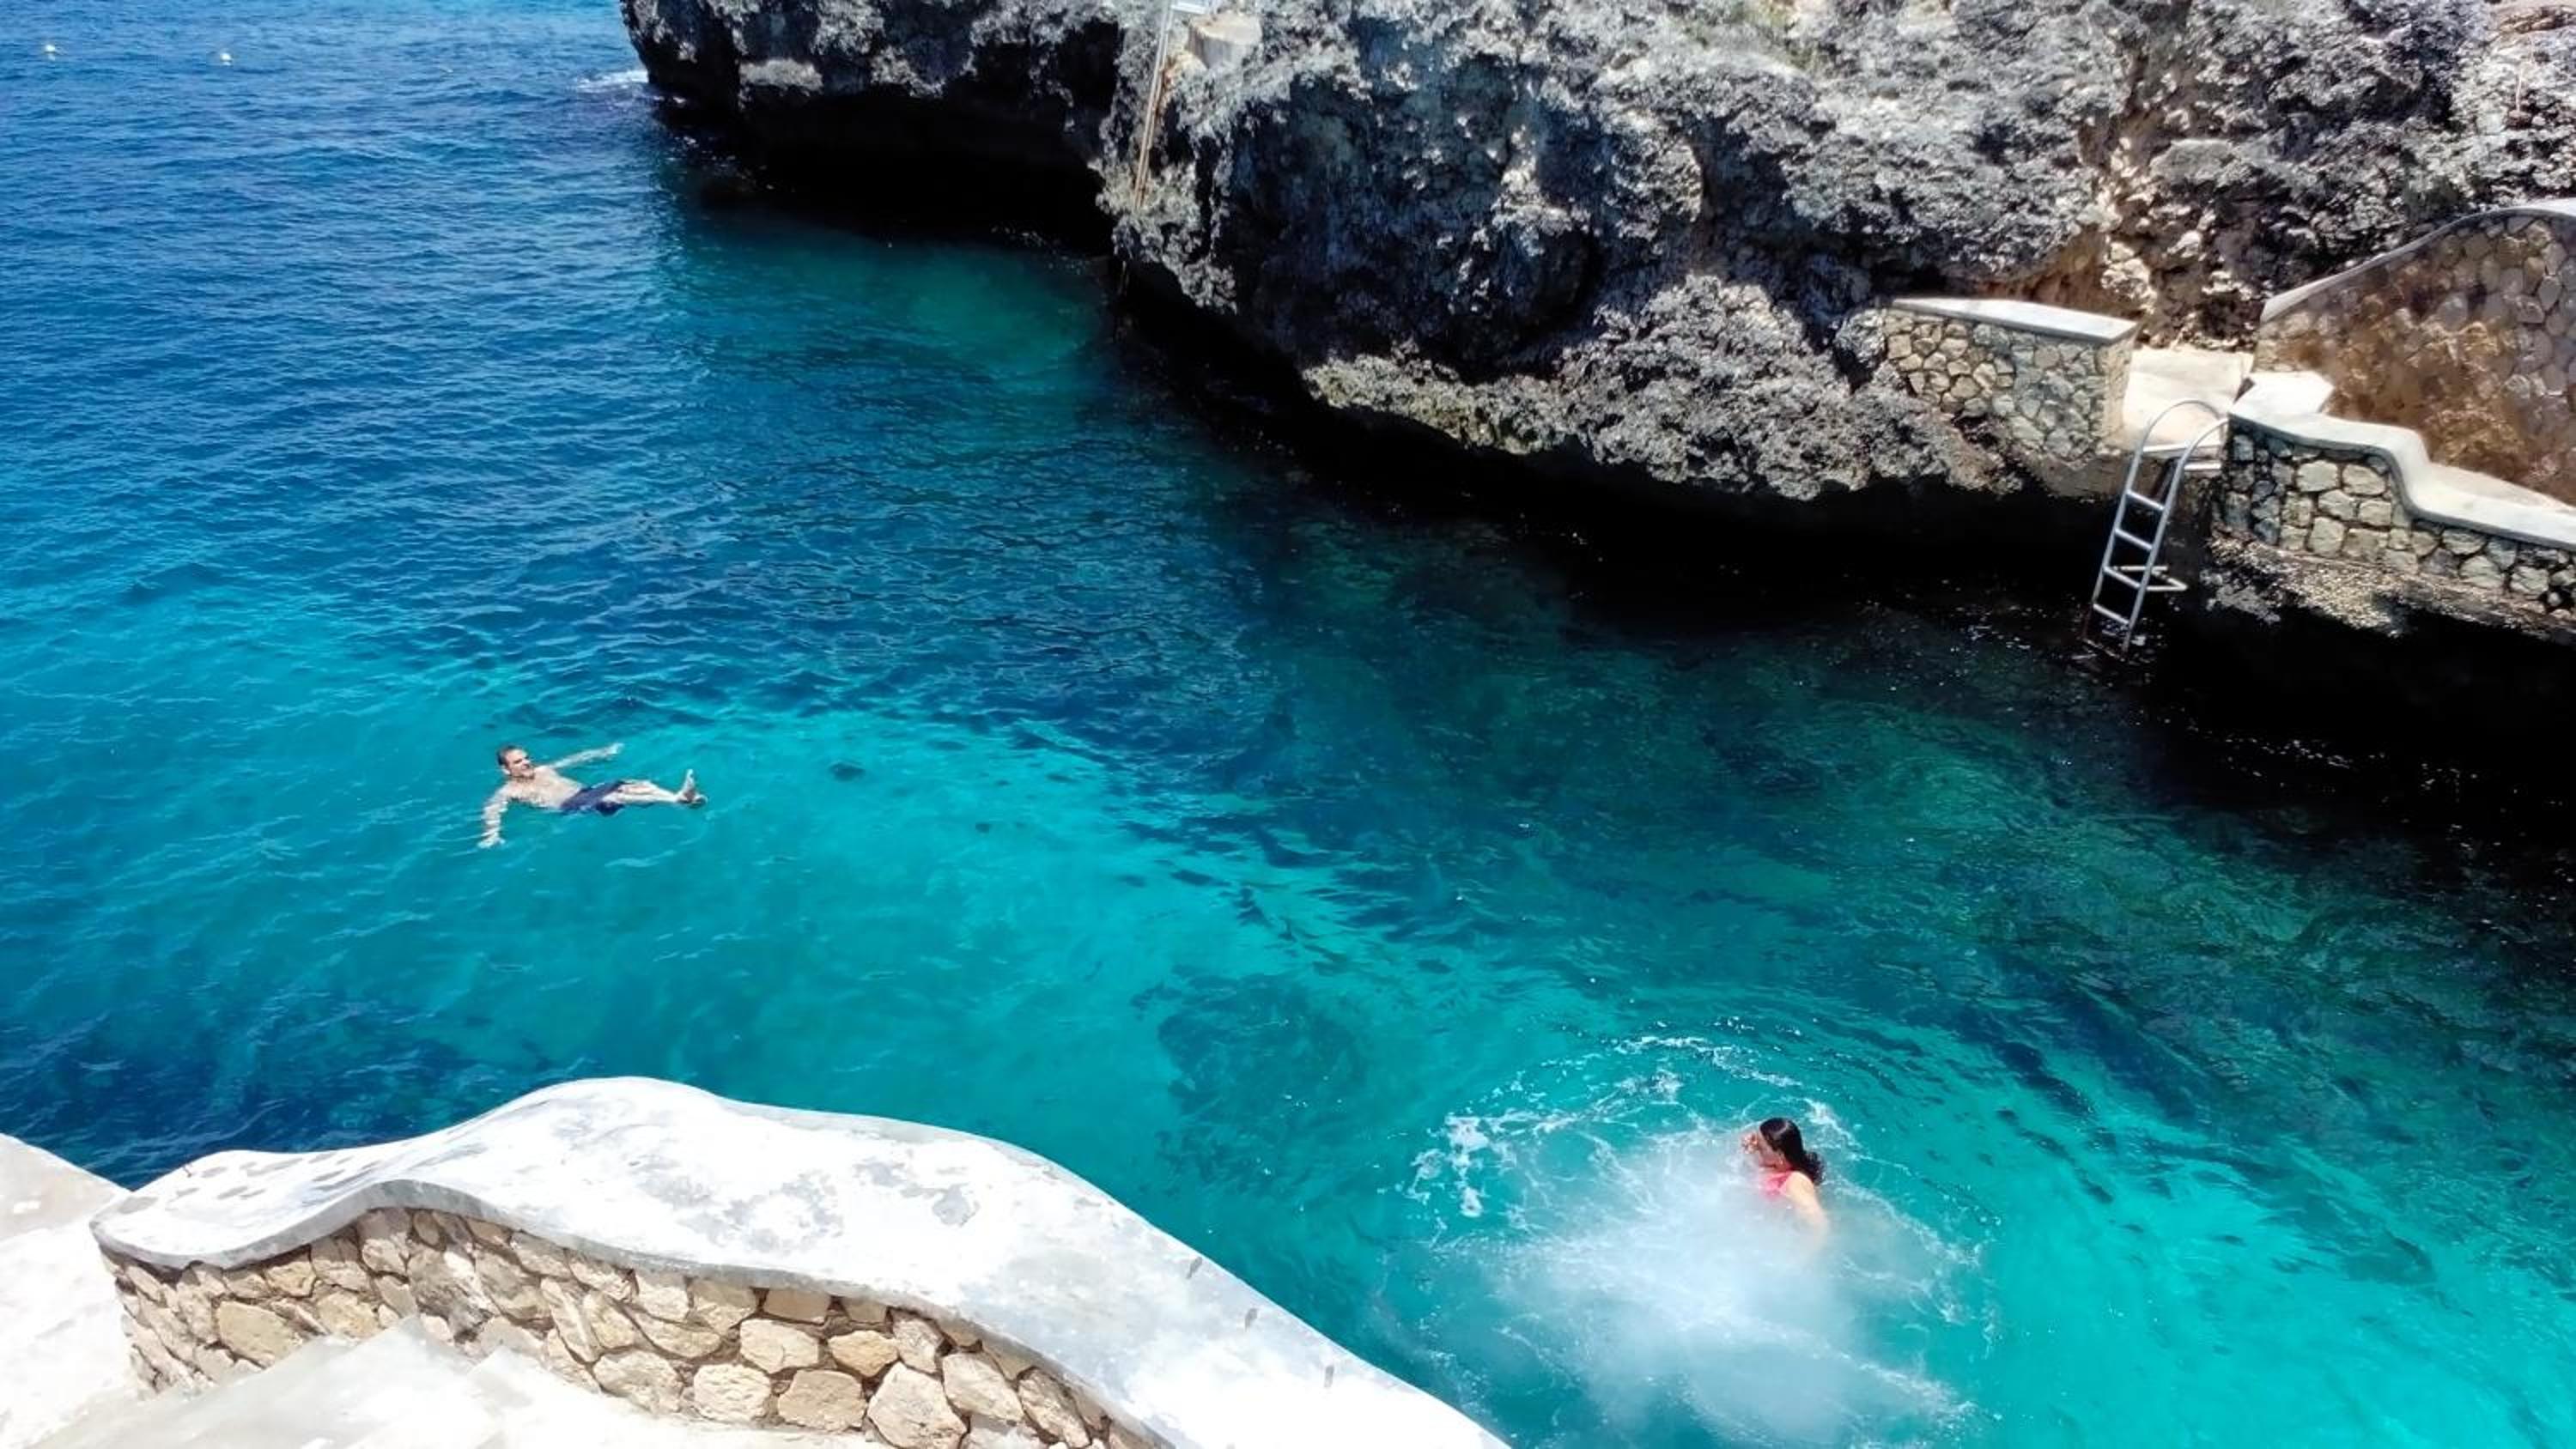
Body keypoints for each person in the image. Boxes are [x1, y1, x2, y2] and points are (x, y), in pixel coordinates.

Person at [479, 743, 702, 848]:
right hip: (571, 806)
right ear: (506, 769)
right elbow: (493, 809)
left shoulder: (543, 770)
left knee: (633, 784)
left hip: (587, 792)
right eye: (518, 762)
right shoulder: (510, 790)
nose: (526, 762)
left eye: (527, 757)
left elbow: (574, 760)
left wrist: (602, 753)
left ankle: (678, 798)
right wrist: (492, 834)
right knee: (615, 795)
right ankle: (679, 799)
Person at [1743, 1116, 1829, 1237]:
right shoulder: (1775, 1163)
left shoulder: (1795, 1181)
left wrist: (1806, 1250)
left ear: (1780, 1154)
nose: (1756, 1148)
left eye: (1761, 1147)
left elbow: (1820, 1225)